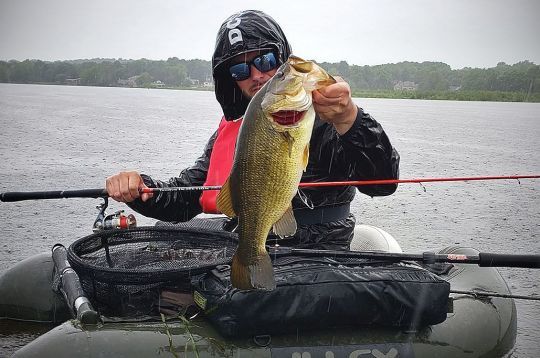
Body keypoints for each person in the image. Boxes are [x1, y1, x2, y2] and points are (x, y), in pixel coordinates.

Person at [106, 10, 400, 250]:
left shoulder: (326, 117)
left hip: (319, 254)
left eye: (265, 60)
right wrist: (140, 189)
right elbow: (188, 194)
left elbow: (382, 184)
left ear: (282, 57)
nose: (257, 75)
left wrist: (350, 118)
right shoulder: (241, 129)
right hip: (250, 241)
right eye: (240, 70)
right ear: (231, 81)